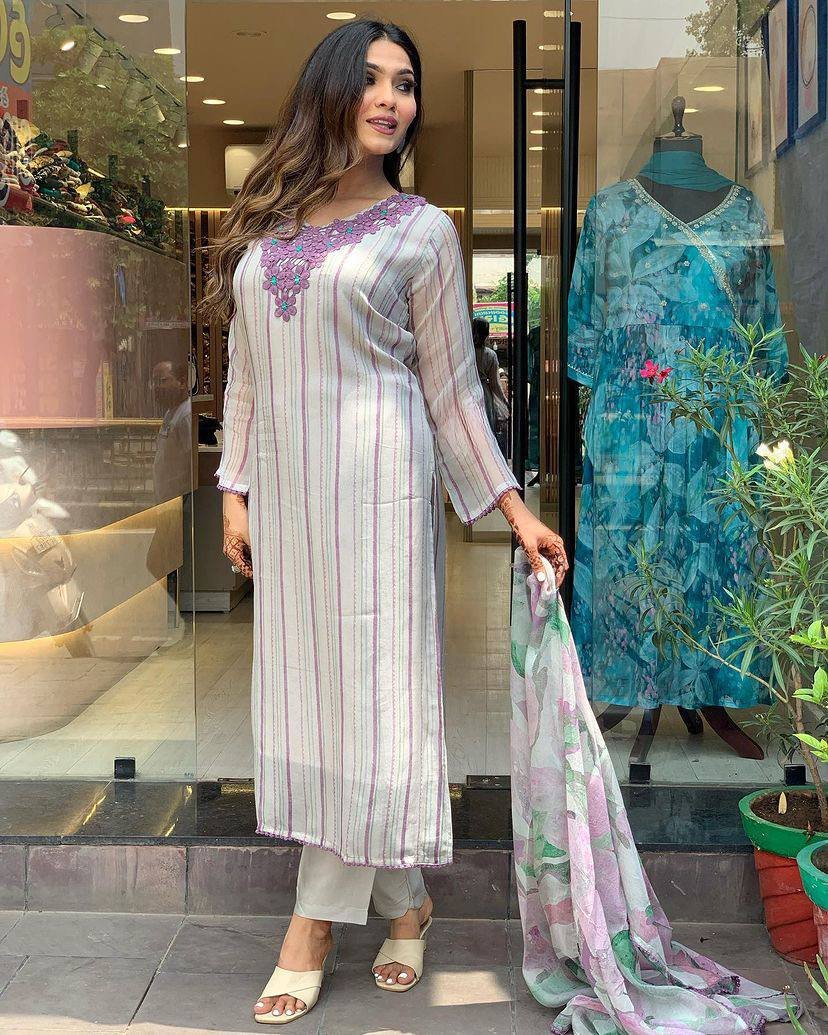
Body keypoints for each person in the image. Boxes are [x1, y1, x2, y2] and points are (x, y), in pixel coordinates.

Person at [202, 19, 568, 1026]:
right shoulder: (268, 222)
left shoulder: (423, 230)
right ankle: (406, 903)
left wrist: (514, 508)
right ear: (328, 89)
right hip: (293, 502)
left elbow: (452, 393)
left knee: (371, 701)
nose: (391, 98)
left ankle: (311, 927)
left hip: (380, 496)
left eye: (404, 84)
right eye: (370, 79)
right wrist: (235, 488)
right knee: (316, 700)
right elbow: (246, 371)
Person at [472, 317, 510, 439]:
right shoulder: (490, 355)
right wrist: (505, 402)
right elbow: (495, 385)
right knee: (486, 434)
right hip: (484, 396)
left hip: (468, 393)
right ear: (486, 334)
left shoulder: (466, 353)